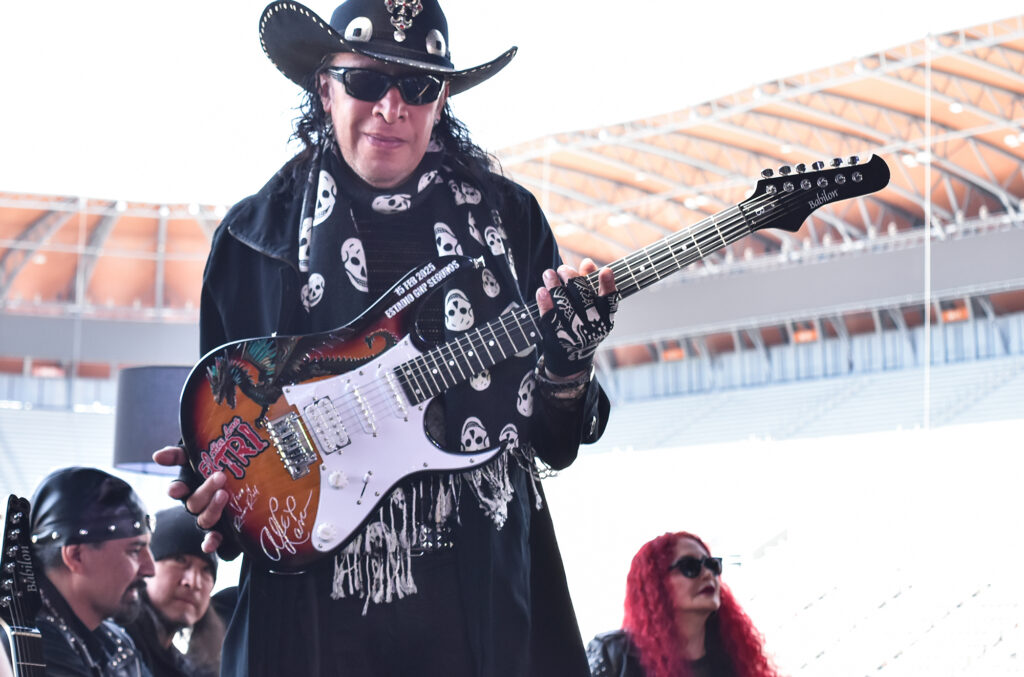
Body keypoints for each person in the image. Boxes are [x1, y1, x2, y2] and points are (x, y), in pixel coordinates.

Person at [153, 1, 619, 675]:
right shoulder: (252, 240)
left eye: (420, 86)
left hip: (478, 608)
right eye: (368, 81)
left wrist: (568, 368)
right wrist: (218, 498)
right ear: (325, 87)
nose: (392, 107)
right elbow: (227, 456)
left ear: (443, 98)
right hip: (312, 624)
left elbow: (554, 438)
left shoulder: (512, 223)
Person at [586, 532, 778, 677]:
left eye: (712, 565)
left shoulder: (733, 656)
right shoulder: (615, 653)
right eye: (690, 567)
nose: (708, 574)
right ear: (656, 583)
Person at [28, 467, 155, 677]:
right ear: (76, 556)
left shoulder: (116, 642)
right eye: (134, 551)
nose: (150, 569)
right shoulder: (28, 646)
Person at [121, 506, 220, 677]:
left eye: (206, 570)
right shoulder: (110, 649)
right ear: (146, 565)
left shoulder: (185, 669)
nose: (193, 582)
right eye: (180, 560)